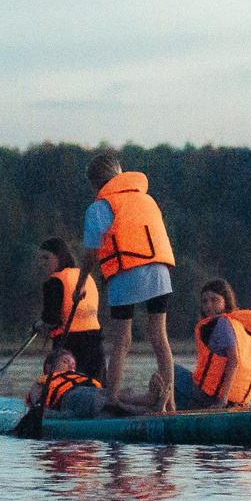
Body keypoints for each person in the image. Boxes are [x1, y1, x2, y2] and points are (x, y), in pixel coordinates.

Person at [81, 150, 176, 413]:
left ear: (95, 184)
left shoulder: (99, 207)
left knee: (122, 341)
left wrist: (81, 282)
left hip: (125, 274)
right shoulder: (146, 199)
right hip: (159, 272)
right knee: (160, 338)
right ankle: (170, 404)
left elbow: (91, 255)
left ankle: (112, 399)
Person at [127, 278, 251, 411]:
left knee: (166, 370)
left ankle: (137, 401)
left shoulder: (223, 323)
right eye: (205, 301)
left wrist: (222, 401)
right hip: (230, 401)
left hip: (210, 397)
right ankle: (145, 404)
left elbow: (234, 361)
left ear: (226, 301)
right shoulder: (238, 325)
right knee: (171, 389)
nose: (209, 305)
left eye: (214, 300)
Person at [33, 237, 103, 384]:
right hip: (95, 342)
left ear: (59, 257)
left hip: (69, 343)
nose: (41, 263)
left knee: (68, 385)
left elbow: (51, 318)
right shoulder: (86, 277)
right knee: (97, 384)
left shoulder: (54, 281)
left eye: (46, 258)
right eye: (40, 259)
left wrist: (38, 325)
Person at [23, 348, 107, 419]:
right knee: (99, 401)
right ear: (49, 367)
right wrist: (61, 415)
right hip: (72, 397)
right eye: (65, 362)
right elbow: (38, 408)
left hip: (95, 390)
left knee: (110, 395)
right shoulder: (43, 382)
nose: (71, 367)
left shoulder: (80, 377)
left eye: (74, 365)